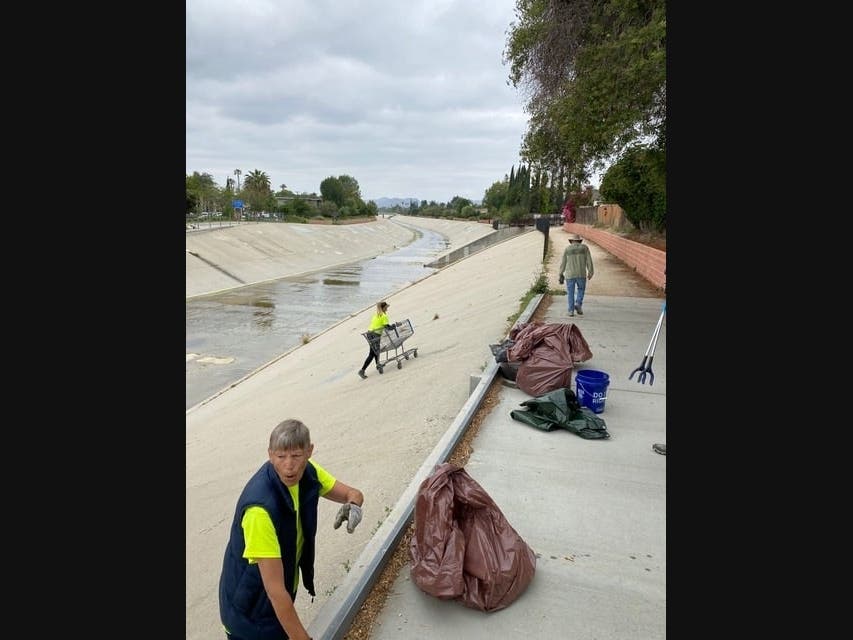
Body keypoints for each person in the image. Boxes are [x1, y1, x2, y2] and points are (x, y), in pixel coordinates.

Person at [219, 418, 364, 640]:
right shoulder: (260, 511)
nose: (289, 465)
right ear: (270, 455)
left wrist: (353, 505)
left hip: (277, 598)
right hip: (250, 614)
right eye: (280, 456)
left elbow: (350, 492)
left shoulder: (309, 473)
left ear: (309, 452)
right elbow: (275, 592)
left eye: (296, 456)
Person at [558, 233, 594, 317]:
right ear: (579, 241)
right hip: (581, 274)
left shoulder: (567, 249)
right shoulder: (585, 248)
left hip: (570, 274)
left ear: (572, 241)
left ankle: (571, 311)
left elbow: (563, 262)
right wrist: (591, 271)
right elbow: (589, 260)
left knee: (570, 292)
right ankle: (578, 304)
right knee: (581, 289)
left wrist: (560, 273)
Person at [357, 300, 394, 379]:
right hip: (375, 335)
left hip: (370, 333)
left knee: (375, 351)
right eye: (386, 307)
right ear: (383, 308)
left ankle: (378, 364)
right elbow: (387, 327)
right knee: (372, 353)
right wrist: (394, 327)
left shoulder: (376, 315)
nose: (387, 309)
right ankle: (362, 370)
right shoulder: (384, 316)